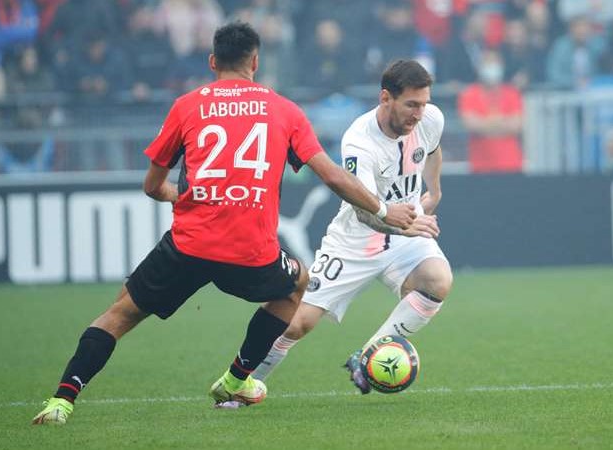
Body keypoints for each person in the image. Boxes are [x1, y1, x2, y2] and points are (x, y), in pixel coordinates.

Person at [31, 22, 420, 425]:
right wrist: (382, 210)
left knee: (118, 316)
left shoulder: (186, 106)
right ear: (255, 61)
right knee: (297, 286)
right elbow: (334, 177)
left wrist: (173, 195)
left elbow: (151, 185)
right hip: (251, 251)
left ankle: (61, 401)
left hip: (188, 246)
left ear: (213, 62)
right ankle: (236, 378)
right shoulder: (285, 110)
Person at [249, 60, 453, 396]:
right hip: (357, 239)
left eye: (424, 104)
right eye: (411, 105)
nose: (419, 114)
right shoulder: (359, 141)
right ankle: (241, 384)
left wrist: (435, 190)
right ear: (385, 98)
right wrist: (405, 226)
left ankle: (368, 355)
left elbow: (432, 148)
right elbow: (364, 212)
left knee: (437, 280)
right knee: (298, 323)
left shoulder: (431, 118)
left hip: (408, 228)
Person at [458, 50, 524, 173]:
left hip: (511, 165)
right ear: (479, 67)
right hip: (481, 167)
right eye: (487, 63)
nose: (492, 66)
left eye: (495, 62)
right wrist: (502, 123)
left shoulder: (512, 93)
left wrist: (485, 124)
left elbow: (516, 126)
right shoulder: (469, 94)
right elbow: (471, 125)